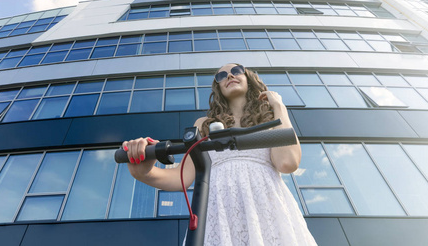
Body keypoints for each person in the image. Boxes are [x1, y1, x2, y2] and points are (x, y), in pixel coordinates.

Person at [123, 63, 318, 246]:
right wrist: (144, 173)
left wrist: (278, 106)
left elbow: (287, 162)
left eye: (236, 70)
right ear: (218, 87)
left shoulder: (271, 118)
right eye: (221, 75)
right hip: (219, 212)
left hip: (267, 211)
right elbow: (182, 177)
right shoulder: (204, 124)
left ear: (249, 77)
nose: (230, 75)